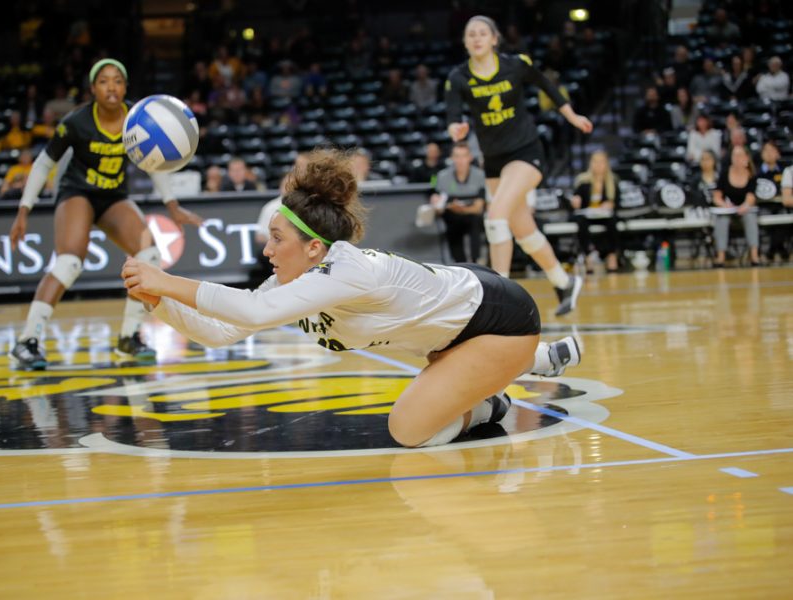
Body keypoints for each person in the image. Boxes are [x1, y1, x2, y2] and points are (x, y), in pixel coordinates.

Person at [121, 149, 581, 449]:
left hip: (500, 317)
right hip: (455, 328)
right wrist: (158, 303)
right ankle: (530, 361)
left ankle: (493, 397)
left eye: (276, 239)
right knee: (420, 407)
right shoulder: (292, 282)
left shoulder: (348, 270)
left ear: (314, 248)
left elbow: (251, 311)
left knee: (409, 432)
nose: (266, 250)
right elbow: (223, 330)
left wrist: (166, 279)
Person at [7, 58, 203, 370]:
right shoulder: (76, 122)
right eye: (104, 81)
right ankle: (27, 341)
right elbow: (44, 163)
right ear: (92, 89)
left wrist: (172, 205)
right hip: (77, 193)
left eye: (117, 81)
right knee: (69, 262)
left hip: (113, 197)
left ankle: (129, 339)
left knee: (149, 255)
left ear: (125, 87)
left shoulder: (138, 117)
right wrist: (23, 210)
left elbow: (154, 162)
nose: (111, 86)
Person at [445, 15, 591, 316]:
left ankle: (501, 298)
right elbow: (453, 114)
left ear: (494, 39)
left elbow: (548, 86)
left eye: (482, 33)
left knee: (496, 216)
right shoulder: (459, 77)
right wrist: (455, 129)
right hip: (494, 160)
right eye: (470, 34)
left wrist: (572, 116)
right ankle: (563, 281)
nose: (476, 38)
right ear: (465, 42)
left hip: (526, 152)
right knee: (523, 231)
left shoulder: (516, 64)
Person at [430, 142, 486, 264]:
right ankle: (460, 264)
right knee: (452, 225)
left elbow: (478, 207)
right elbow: (439, 205)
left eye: (464, 156)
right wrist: (436, 203)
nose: (460, 160)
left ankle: (475, 261)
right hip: (452, 217)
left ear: (470, 157)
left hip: (473, 216)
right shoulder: (442, 176)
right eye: (457, 156)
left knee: (475, 221)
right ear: (452, 158)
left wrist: (462, 209)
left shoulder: (480, 175)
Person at [569, 151, 622, 272]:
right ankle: (588, 257)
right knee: (581, 223)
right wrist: (575, 201)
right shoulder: (583, 181)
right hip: (587, 216)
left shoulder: (613, 181)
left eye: (601, 162)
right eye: (595, 162)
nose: (598, 165)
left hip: (604, 215)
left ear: (606, 164)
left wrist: (611, 204)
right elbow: (576, 200)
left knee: (613, 221)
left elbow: (618, 202)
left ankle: (612, 256)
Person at [712, 146, 760, 267]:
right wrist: (725, 205)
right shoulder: (724, 174)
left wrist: (744, 207)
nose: (736, 158)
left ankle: (754, 256)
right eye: (734, 155)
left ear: (746, 158)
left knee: (750, 217)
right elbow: (716, 197)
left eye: (739, 155)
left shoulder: (752, 175)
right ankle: (721, 256)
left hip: (745, 209)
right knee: (722, 220)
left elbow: (751, 198)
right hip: (728, 210)